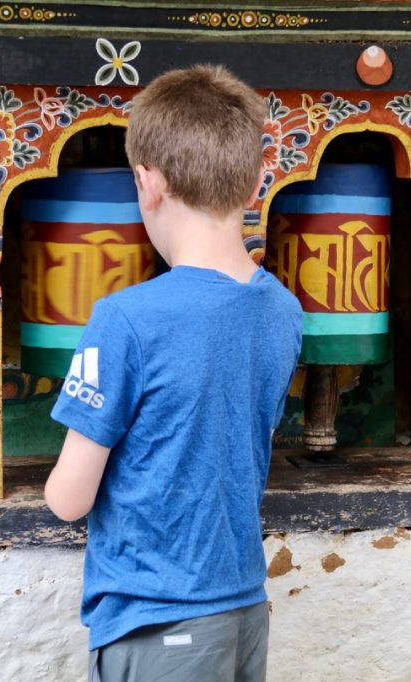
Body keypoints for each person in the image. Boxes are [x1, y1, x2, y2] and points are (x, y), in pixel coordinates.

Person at [44, 64, 303, 682]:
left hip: (158, 620)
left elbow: (68, 499)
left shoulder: (127, 318)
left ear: (147, 181)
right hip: (242, 607)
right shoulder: (284, 311)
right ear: (254, 185)